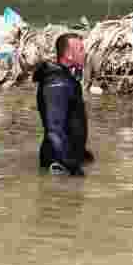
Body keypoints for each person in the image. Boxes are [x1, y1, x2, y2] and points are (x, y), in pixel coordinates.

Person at [33, 33, 94, 176]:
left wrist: (81, 152)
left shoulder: (65, 78)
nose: (84, 53)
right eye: (80, 49)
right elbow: (54, 129)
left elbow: (70, 122)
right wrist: (71, 166)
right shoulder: (56, 83)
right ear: (68, 55)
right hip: (58, 164)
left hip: (65, 158)